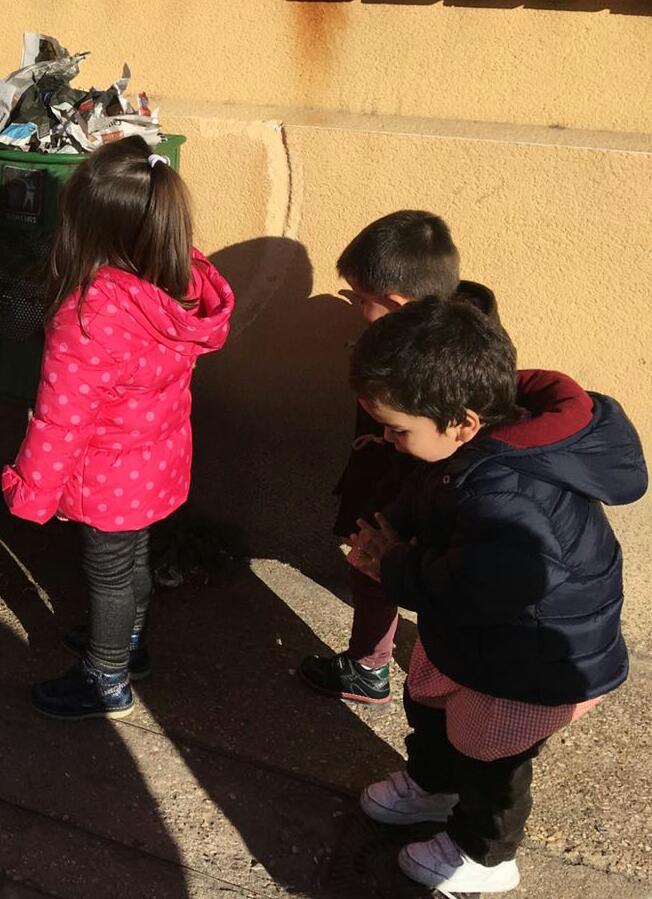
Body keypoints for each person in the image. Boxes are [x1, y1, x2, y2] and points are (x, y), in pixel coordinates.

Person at [346, 300, 647, 895]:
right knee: (430, 701)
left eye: (398, 429)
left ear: (462, 423)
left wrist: (395, 563)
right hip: (478, 633)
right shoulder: (472, 445)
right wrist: (394, 524)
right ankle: (433, 787)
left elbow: (483, 585)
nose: (387, 439)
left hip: (530, 659)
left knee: (491, 756)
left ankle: (484, 852)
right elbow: (432, 491)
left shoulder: (510, 490)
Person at [2, 136, 235, 720]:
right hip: (156, 464)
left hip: (107, 476)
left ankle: (106, 679)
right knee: (133, 561)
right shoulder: (180, 287)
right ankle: (128, 646)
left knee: (108, 572)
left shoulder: (90, 314)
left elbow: (60, 421)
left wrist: (30, 492)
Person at [300, 210, 499, 703]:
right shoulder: (471, 341)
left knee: (373, 570)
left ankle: (370, 666)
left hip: (401, 496)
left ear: (395, 304)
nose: (355, 309)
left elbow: (417, 452)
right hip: (410, 492)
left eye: (360, 300)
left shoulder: (419, 365)